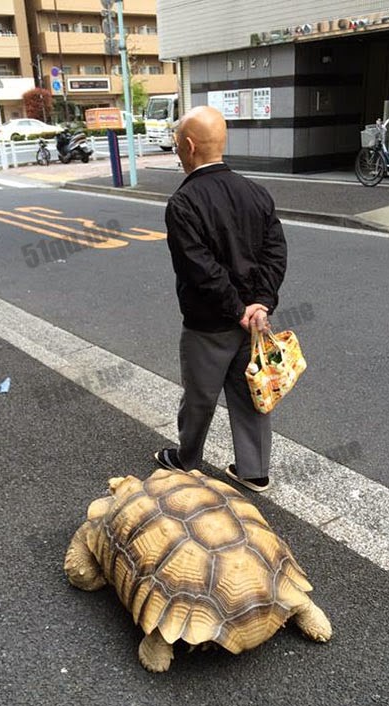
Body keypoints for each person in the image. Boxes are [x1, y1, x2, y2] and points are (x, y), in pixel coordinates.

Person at [154, 105, 287, 492]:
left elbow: (200, 268)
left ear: (189, 146)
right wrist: (260, 303)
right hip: (255, 323)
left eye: (177, 144)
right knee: (252, 394)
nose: (177, 151)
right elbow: (275, 252)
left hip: (209, 323)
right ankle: (254, 470)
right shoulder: (256, 192)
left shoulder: (184, 203)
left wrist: (235, 308)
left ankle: (187, 460)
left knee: (200, 395)